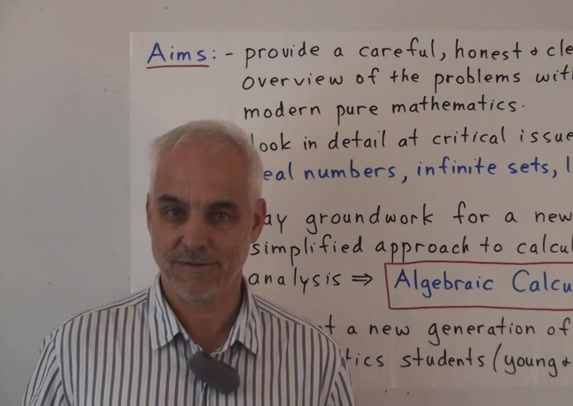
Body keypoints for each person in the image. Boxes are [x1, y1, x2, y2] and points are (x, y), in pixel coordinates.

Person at [22, 120, 356, 405]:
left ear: (256, 222)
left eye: (220, 215)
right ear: (150, 215)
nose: (194, 239)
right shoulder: (72, 353)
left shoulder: (317, 362)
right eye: (174, 212)